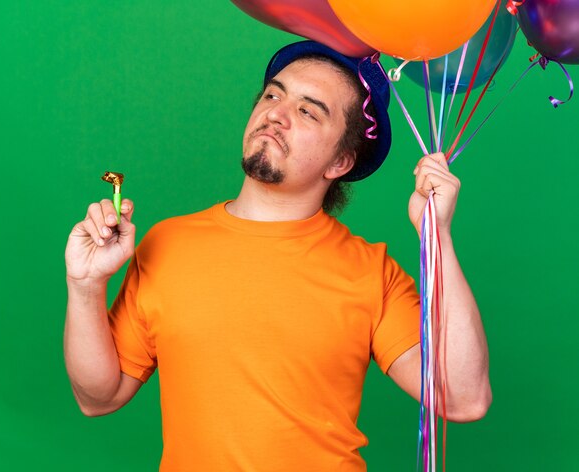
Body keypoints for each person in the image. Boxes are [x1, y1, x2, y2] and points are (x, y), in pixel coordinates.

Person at [64, 41, 491, 471]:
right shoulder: (167, 243)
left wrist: (436, 235)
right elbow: (99, 397)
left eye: (308, 111)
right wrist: (85, 286)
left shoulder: (370, 272)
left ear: (340, 161)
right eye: (273, 94)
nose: (275, 114)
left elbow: (464, 397)